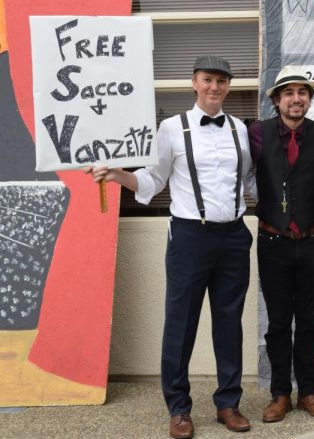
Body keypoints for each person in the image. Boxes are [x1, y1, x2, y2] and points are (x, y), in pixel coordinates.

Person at [88, 56, 254, 439]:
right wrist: (115, 174)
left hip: (233, 235)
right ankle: (179, 408)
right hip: (189, 235)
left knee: (229, 323)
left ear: (229, 86)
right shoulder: (171, 128)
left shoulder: (240, 130)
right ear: (194, 82)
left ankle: (228, 403)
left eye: (222, 81)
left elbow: (248, 180)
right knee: (181, 322)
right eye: (207, 80)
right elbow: (152, 178)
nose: (215, 87)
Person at [249, 65, 314, 422]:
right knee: (277, 323)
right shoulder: (257, 133)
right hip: (273, 241)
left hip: (313, 240)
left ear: (309, 99)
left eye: (302, 92)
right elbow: (232, 167)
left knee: (307, 321)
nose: (296, 98)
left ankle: (308, 391)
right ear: (276, 100)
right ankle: (280, 394)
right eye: (288, 93)